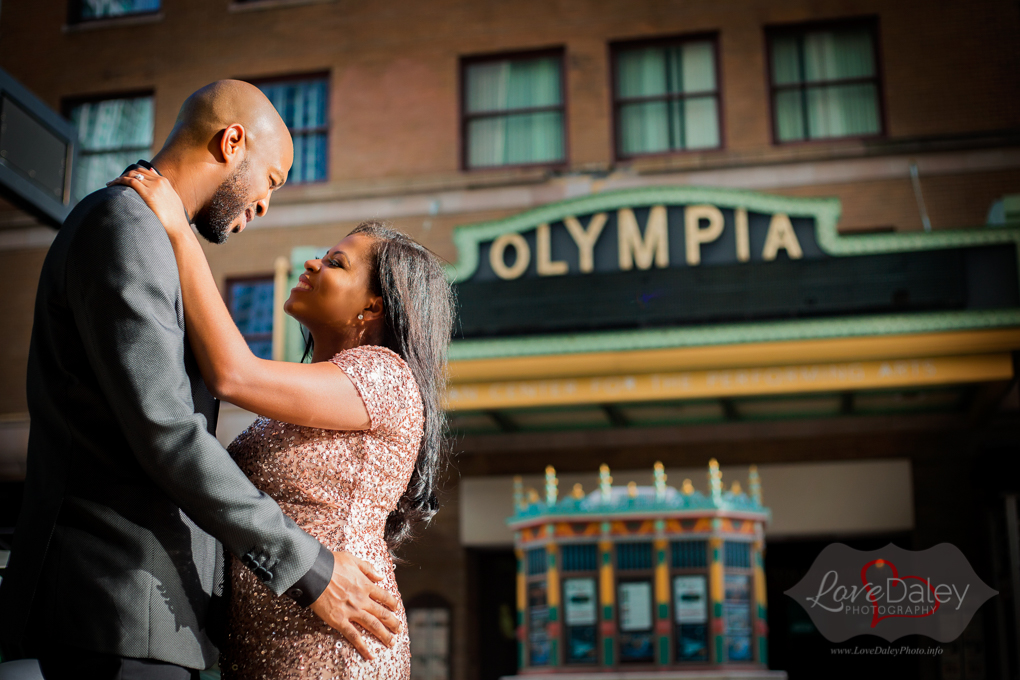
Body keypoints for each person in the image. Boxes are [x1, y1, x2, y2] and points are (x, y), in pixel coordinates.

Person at [0, 81, 403, 679]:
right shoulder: (126, 225)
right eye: (271, 179)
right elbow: (168, 430)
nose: (265, 204)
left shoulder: (150, 232)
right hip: (119, 601)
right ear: (231, 141)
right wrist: (309, 568)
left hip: (153, 614)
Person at [112, 163, 454, 678]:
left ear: (373, 307)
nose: (314, 264)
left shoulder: (385, 377)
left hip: (331, 643)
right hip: (268, 641)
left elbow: (232, 374)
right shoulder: (320, 386)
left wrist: (179, 233)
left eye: (336, 264)